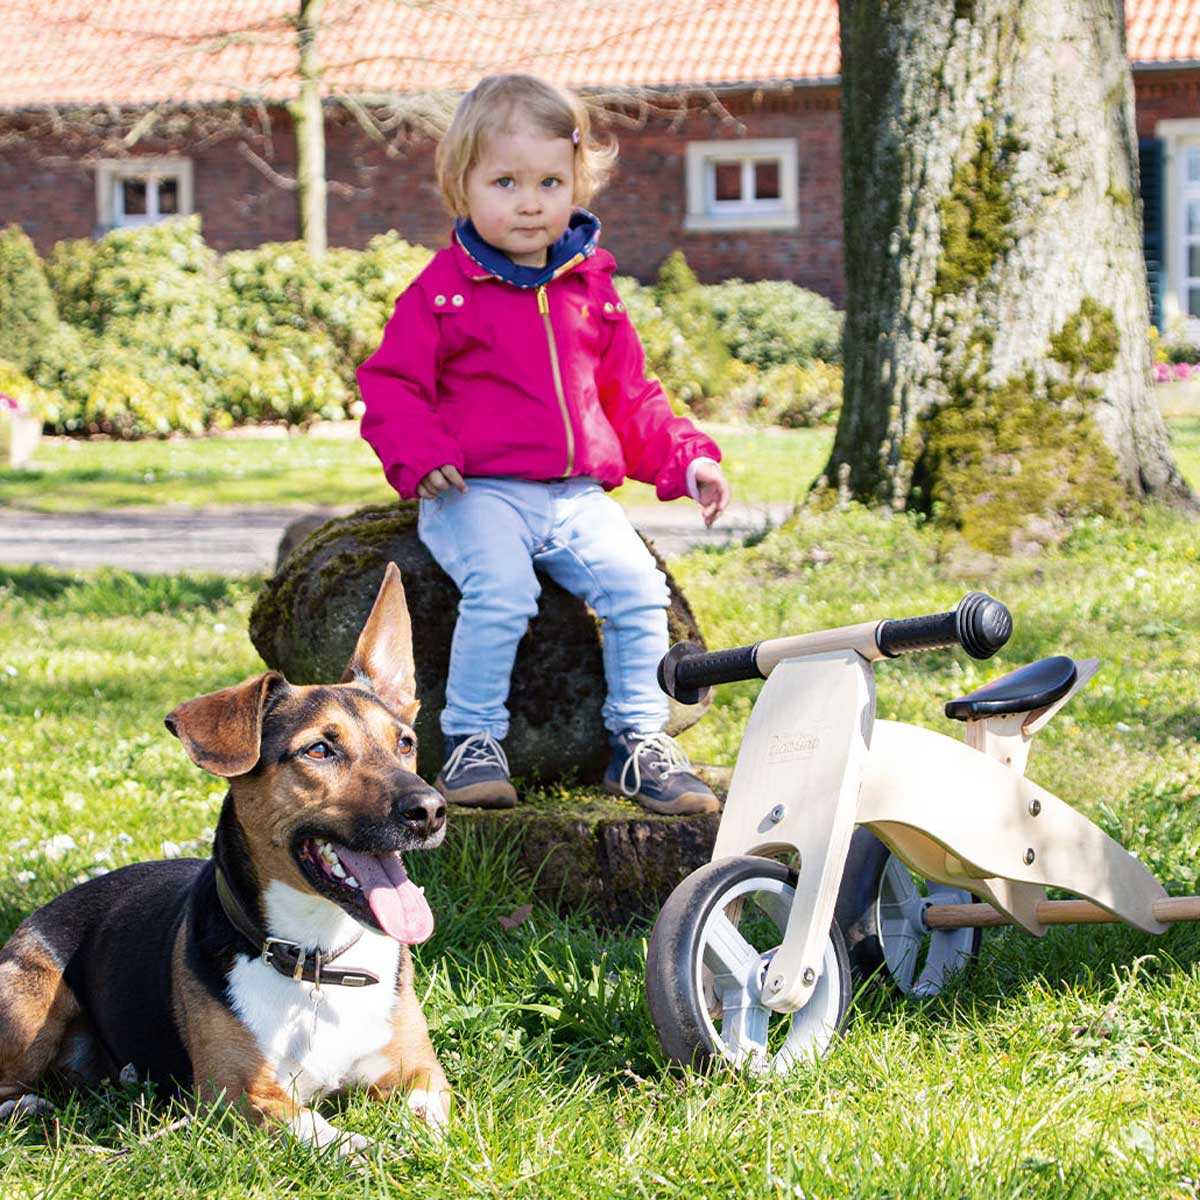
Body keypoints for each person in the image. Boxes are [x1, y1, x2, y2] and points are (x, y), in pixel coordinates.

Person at [357, 73, 731, 817]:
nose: (530, 202)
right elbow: (391, 384)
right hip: (477, 493)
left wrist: (687, 457)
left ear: (577, 183)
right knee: (502, 591)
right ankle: (470, 742)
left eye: (550, 182)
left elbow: (631, 397)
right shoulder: (443, 289)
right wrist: (420, 452)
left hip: (576, 497)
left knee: (637, 588)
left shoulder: (590, 288)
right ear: (461, 185)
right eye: (505, 181)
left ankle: (640, 743)